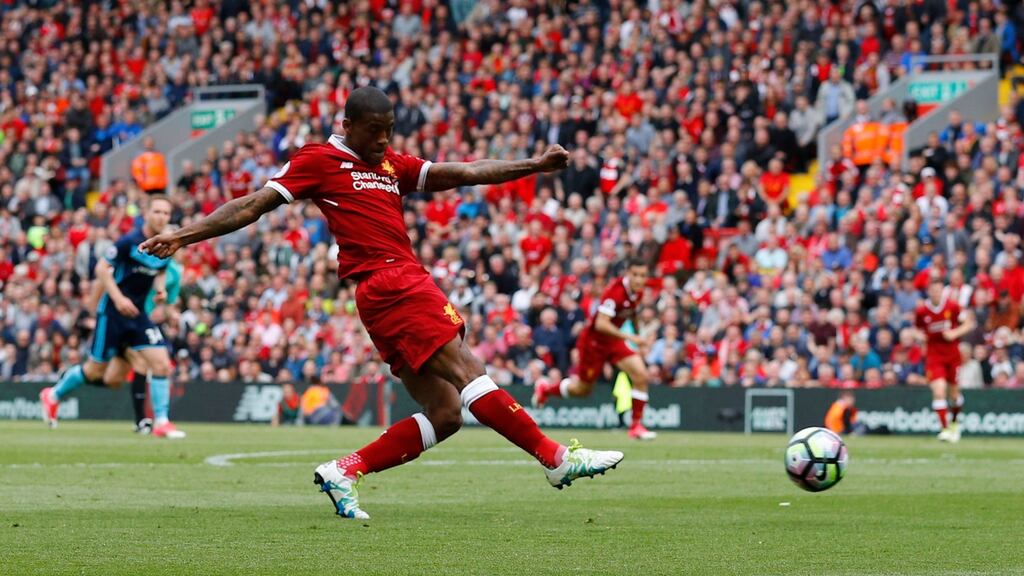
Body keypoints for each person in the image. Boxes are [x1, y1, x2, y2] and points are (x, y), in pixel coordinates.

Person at [140, 86, 623, 519]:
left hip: (389, 289)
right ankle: (555, 458)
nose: (383, 139)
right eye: (374, 130)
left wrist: (533, 165)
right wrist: (183, 235)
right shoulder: (319, 160)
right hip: (392, 283)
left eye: (388, 130)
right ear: (347, 125)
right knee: (468, 369)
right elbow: (251, 204)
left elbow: (464, 172)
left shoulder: (391, 164)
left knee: (446, 413)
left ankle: (343, 471)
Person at [40, 196, 185, 439]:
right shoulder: (129, 241)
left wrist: (160, 289)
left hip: (138, 315)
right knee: (95, 371)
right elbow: (101, 268)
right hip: (112, 314)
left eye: (166, 213)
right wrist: (118, 299)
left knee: (161, 363)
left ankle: (161, 422)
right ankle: (53, 395)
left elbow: (159, 272)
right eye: (157, 211)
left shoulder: (165, 246)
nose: (161, 217)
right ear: (146, 214)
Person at [531, 257, 658, 440]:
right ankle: (546, 389)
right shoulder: (615, 292)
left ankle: (636, 426)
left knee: (641, 375)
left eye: (643, 275)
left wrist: (639, 337)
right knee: (582, 390)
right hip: (594, 343)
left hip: (613, 341)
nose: (639, 279)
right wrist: (631, 338)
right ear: (627, 273)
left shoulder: (637, 292)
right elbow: (601, 324)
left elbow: (631, 313)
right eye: (635, 274)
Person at [914, 277, 975, 442]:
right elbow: (917, 329)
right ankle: (944, 429)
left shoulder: (952, 306)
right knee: (939, 391)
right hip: (934, 357)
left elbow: (969, 323)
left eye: (939, 290)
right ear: (928, 291)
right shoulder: (922, 311)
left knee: (954, 395)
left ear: (943, 291)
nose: (936, 293)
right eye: (933, 290)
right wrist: (919, 336)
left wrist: (954, 333)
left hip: (952, 356)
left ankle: (954, 423)